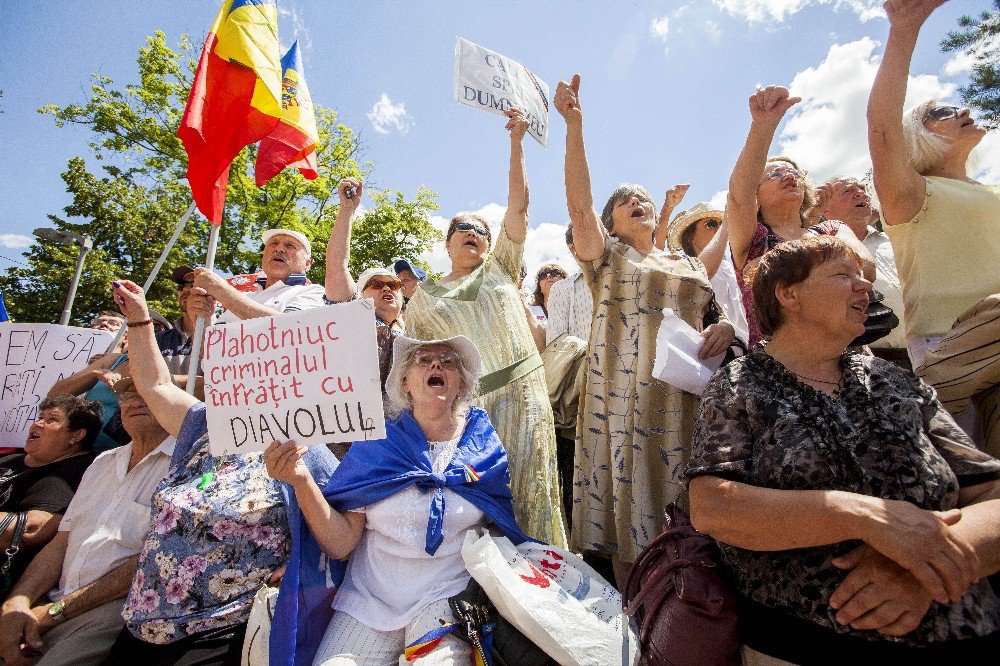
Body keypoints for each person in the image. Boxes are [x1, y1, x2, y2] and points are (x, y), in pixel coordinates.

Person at [686, 235, 1000, 663]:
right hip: (805, 641)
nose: (864, 286)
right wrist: (865, 517)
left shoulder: (897, 382)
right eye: (842, 275)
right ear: (788, 293)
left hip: (962, 626)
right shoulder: (740, 384)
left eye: (863, 277)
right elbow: (713, 507)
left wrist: (925, 572)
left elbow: (990, 493)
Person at [554, 73, 735, 582]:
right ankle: (636, 619)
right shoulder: (606, 259)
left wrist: (726, 334)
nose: (637, 200)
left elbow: (736, 223)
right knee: (626, 509)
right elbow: (577, 203)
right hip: (620, 404)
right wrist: (574, 125)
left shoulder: (690, 264)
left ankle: (691, 614)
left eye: (642, 197)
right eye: (624, 201)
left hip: (685, 400)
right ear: (609, 224)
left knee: (688, 507)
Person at [99, 280, 338, 664]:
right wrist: (140, 320)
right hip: (143, 625)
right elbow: (155, 384)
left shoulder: (311, 452)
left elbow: (336, 540)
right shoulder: (205, 425)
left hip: (220, 634)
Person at [268, 334, 531, 666]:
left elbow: (499, 527)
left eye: (448, 361)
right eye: (424, 360)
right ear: (405, 383)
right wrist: (301, 480)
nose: (436, 364)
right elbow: (340, 544)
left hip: (449, 597)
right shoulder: (377, 445)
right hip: (370, 602)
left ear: (462, 384)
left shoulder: (483, 445)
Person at [404, 109, 567, 547]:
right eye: (462, 228)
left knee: (533, 491)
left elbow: (520, 205)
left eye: (480, 229)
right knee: (480, 497)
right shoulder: (423, 299)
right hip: (469, 410)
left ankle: (544, 582)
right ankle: (485, 593)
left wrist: (516, 141)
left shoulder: (501, 268)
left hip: (526, 396)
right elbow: (417, 361)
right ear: (447, 241)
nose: (472, 232)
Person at [867, 0, 1000, 455]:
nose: (958, 110)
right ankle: (922, 398)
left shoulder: (992, 192)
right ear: (916, 138)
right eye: (937, 112)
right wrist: (904, 30)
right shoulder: (913, 193)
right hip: (950, 341)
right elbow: (881, 129)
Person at [0, 379, 176, 666]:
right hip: (53, 604)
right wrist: (18, 601)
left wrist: (55, 612)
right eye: (126, 394)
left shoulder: (187, 465)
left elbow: (151, 561)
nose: (135, 401)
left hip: (112, 610)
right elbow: (63, 540)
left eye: (147, 393)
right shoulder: (103, 463)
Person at [726, 85, 868, 346]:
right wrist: (763, 126)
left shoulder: (832, 229)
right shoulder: (754, 239)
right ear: (756, 196)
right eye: (775, 174)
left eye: (795, 173)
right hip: (777, 366)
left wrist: (781, 263)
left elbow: (864, 267)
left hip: (847, 354)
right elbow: (738, 193)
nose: (789, 176)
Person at [0, 397, 101, 595]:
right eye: (40, 417)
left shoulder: (74, 471)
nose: (38, 423)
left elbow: (31, 529)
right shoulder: (10, 459)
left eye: (51, 420)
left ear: (76, 435)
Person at [812, 176, 908, 365]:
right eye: (848, 191)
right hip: (867, 359)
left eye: (862, 188)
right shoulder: (819, 252)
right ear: (826, 208)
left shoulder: (893, 240)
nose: (860, 193)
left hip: (925, 347)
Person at [324, 178, 406, 393]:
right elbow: (336, 265)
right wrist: (347, 210)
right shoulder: (353, 315)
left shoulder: (412, 333)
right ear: (360, 296)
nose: (386, 289)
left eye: (393, 285)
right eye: (376, 284)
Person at [190, 228, 325, 326]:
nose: (279, 249)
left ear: (307, 264)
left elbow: (292, 330)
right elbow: (209, 354)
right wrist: (202, 318)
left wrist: (221, 290)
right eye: (273, 244)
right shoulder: (245, 297)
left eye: (290, 246)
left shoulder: (313, 292)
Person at [667, 203, 750, 344]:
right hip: (716, 352)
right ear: (690, 237)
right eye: (711, 224)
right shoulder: (682, 265)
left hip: (751, 347)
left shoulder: (732, 266)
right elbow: (700, 277)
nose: (718, 228)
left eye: (721, 223)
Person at [545, 226, 594, 347]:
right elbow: (555, 343)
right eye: (586, 236)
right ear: (572, 248)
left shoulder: (630, 278)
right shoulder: (561, 289)